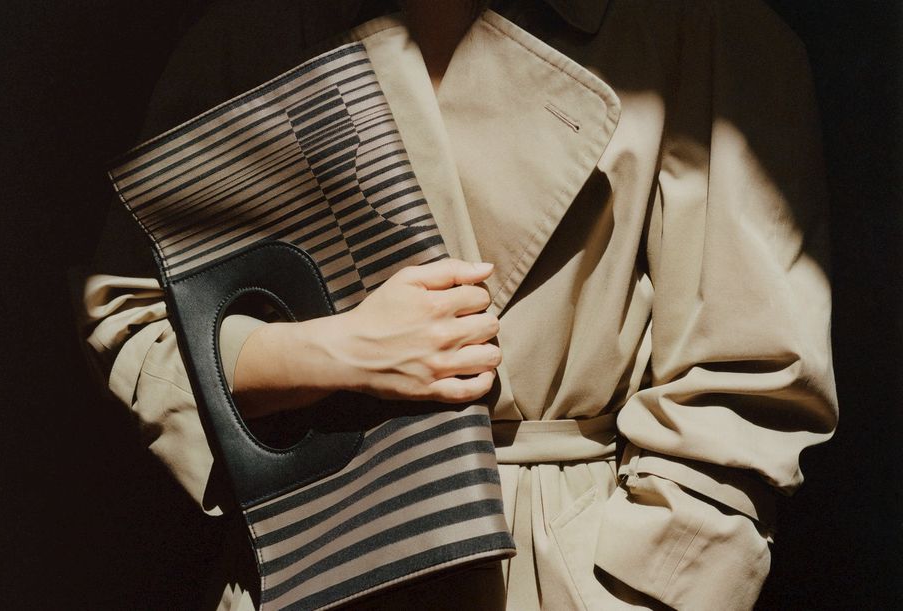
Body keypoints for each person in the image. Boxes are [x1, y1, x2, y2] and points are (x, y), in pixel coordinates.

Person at [81, 0, 838, 608]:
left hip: (556, 571)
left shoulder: (702, 29)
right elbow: (133, 318)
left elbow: (746, 387)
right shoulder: (255, 31)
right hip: (317, 555)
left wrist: (629, 592)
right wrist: (326, 353)